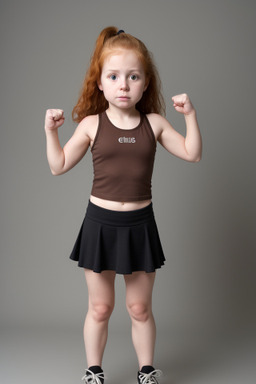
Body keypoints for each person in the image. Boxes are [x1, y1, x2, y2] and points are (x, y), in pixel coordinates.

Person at [44, 26, 202, 384]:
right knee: (100, 308)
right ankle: (93, 370)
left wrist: (190, 114)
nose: (124, 85)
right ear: (100, 82)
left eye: (133, 77)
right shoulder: (90, 124)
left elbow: (193, 154)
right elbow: (58, 166)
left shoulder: (155, 124)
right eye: (114, 76)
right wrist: (51, 132)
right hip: (100, 225)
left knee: (139, 308)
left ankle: (146, 370)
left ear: (146, 83)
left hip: (139, 226)